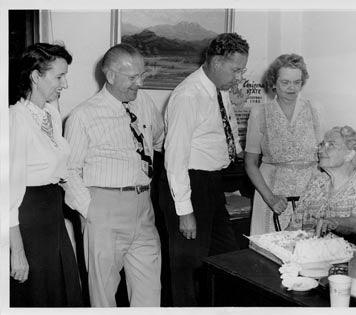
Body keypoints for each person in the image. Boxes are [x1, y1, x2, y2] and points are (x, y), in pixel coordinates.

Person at [62, 44, 164, 307]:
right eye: (133, 77)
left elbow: (157, 138)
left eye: (142, 75)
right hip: (104, 210)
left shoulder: (144, 103)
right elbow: (68, 171)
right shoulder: (83, 116)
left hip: (143, 208)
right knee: (104, 294)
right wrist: (89, 211)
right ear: (110, 76)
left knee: (150, 290)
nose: (140, 83)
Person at [161, 32, 248, 306]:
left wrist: (236, 104)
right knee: (188, 267)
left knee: (225, 256)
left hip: (211, 182)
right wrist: (184, 211)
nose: (238, 76)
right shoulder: (188, 95)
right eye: (236, 70)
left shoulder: (218, 90)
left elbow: (221, 132)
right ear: (216, 61)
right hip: (188, 183)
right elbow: (175, 157)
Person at [9, 43, 83, 307]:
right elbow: (7, 195)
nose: (65, 84)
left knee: (60, 291)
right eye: (59, 76)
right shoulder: (15, 120)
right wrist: (16, 252)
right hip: (27, 216)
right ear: (35, 76)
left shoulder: (50, 113)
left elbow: (61, 172)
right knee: (36, 295)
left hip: (52, 211)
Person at [245, 53, 322, 235]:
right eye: (285, 82)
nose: (291, 88)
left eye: (296, 82)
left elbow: (322, 156)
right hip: (273, 192)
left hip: (308, 192)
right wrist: (270, 198)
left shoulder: (313, 110)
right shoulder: (259, 113)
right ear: (273, 82)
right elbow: (250, 163)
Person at [288, 126, 356, 237]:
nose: (321, 150)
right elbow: (294, 226)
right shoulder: (317, 182)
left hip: (349, 250)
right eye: (322, 144)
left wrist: (334, 222)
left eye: (330, 145)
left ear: (350, 154)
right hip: (310, 249)